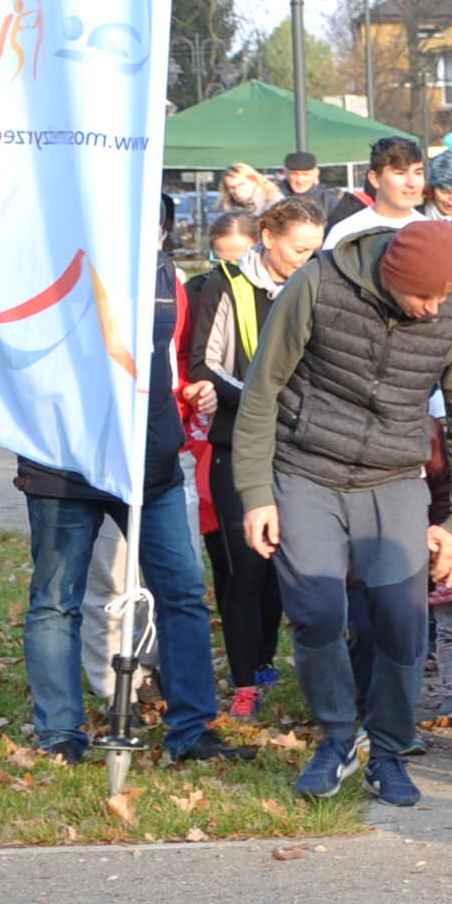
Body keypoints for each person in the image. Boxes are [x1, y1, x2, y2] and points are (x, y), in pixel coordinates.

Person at [232, 218, 452, 805]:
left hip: (395, 476)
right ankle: (338, 738)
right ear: (391, 276)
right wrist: (256, 493)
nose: (432, 307)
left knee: (402, 619)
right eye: (422, 295)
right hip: (305, 469)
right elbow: (263, 389)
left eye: (443, 295)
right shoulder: (319, 284)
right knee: (318, 610)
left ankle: (391, 752)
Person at [15, 269, 229, 769]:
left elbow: (169, 356)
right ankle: (60, 734)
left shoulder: (158, 266)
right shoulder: (49, 252)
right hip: (62, 464)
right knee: (55, 601)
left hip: (149, 465)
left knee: (182, 594)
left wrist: (185, 402)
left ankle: (191, 728)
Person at [185, 195, 324, 720]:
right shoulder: (226, 285)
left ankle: (266, 658)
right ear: (267, 237)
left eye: (313, 250)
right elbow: (204, 363)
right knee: (245, 564)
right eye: (297, 249)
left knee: (282, 566)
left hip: (300, 443)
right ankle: (244, 678)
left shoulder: (316, 282)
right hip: (237, 439)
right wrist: (260, 398)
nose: (304, 260)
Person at [326, 135, 431, 243]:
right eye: (400, 173)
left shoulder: (432, 233)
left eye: (418, 173)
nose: (412, 183)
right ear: (375, 179)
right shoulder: (345, 234)